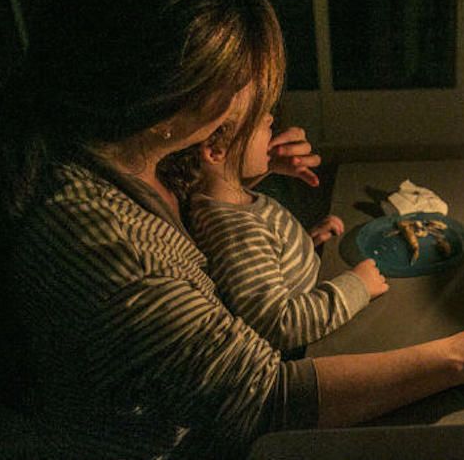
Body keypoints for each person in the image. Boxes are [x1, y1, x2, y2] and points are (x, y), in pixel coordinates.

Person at [0, 0, 464, 459]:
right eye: (237, 80)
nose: (252, 99)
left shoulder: (120, 153)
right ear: (166, 95)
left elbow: (199, 234)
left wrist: (240, 173)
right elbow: (268, 401)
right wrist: (461, 356)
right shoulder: (104, 249)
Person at [159, 96, 388, 354]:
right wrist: (358, 286)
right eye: (257, 117)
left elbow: (263, 262)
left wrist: (302, 243)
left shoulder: (225, 204)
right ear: (214, 150)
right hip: (309, 345)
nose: (270, 118)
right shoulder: (236, 233)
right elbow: (279, 324)